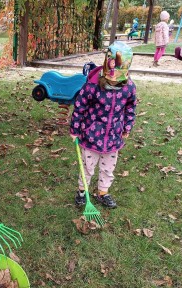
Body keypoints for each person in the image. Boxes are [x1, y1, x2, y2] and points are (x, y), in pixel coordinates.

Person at [70, 42, 137, 209]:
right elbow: (80, 106)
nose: (113, 84)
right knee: (87, 167)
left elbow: (130, 108)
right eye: (110, 81)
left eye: (117, 82)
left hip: (113, 137)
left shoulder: (129, 87)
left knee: (108, 168)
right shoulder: (93, 85)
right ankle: (82, 192)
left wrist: (127, 126)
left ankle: (103, 193)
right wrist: (75, 129)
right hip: (91, 136)